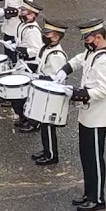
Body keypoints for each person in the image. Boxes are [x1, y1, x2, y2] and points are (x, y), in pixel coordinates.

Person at [54, 19, 106, 211]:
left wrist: (76, 93)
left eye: (88, 39)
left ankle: (98, 198)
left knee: (96, 159)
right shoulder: (92, 54)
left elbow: (103, 90)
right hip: (87, 115)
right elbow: (78, 59)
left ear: (98, 38)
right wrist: (64, 71)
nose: (85, 42)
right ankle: (89, 193)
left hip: (97, 118)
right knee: (86, 157)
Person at [32, 20, 70, 164]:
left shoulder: (56, 55)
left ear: (56, 37)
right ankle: (46, 149)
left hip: (52, 95)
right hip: (45, 91)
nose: (44, 35)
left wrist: (38, 77)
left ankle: (51, 155)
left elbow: (57, 78)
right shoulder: (46, 48)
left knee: (48, 125)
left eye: (48, 33)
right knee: (43, 124)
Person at [7, 1, 44, 122]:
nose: (22, 14)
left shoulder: (32, 30)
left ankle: (28, 119)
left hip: (29, 65)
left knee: (23, 94)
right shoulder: (23, 25)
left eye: (26, 13)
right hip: (22, 62)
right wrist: (14, 45)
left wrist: (19, 49)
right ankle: (23, 117)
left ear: (33, 15)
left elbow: (36, 50)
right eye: (22, 11)